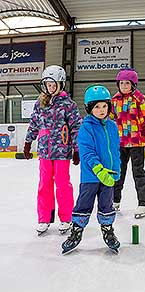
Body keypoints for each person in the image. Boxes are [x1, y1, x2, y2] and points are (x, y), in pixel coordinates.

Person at [61, 84, 121, 254]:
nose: (101, 110)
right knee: (83, 205)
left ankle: (108, 231)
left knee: (106, 206)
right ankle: (76, 232)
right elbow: (87, 153)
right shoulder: (86, 128)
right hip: (91, 177)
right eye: (97, 107)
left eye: (104, 106)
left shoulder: (112, 126)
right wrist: (99, 170)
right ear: (89, 108)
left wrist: (116, 170)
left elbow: (115, 150)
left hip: (108, 176)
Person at [23, 65, 82, 235]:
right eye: (47, 84)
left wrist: (76, 149)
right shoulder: (40, 103)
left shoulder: (68, 105)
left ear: (61, 84)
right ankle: (44, 218)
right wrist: (28, 142)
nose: (50, 87)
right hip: (44, 152)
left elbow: (75, 128)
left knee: (63, 185)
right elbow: (34, 123)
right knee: (44, 184)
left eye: (53, 84)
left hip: (62, 151)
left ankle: (66, 218)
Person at [110, 68, 145, 218]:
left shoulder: (139, 99)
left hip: (137, 143)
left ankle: (144, 204)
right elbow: (109, 118)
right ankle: (114, 201)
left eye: (127, 83)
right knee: (118, 173)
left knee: (138, 173)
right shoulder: (115, 100)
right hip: (120, 143)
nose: (124, 86)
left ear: (134, 84)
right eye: (122, 83)